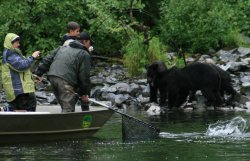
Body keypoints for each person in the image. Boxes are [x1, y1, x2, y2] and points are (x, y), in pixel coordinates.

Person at [44, 31, 92, 112]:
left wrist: (38, 72)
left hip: (52, 77)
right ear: (85, 41)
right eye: (89, 43)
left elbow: (47, 59)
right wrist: (84, 94)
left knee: (65, 106)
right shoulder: (84, 54)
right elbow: (84, 76)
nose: (90, 46)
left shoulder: (63, 48)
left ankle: (65, 122)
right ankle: (66, 123)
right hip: (64, 80)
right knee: (68, 110)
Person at [2, 33, 40, 111]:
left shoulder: (13, 53)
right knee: (27, 107)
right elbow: (22, 66)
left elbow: (20, 72)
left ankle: (9, 110)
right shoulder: (10, 54)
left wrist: (33, 77)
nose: (18, 45)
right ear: (10, 43)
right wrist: (33, 57)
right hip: (18, 89)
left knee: (24, 107)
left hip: (18, 88)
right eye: (17, 43)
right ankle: (8, 111)